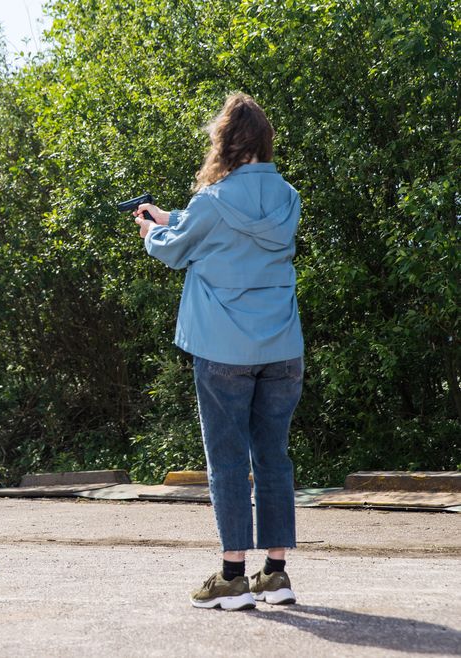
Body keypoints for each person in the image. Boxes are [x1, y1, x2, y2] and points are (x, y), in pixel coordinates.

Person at [133, 93, 303, 610]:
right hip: (283, 348)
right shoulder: (288, 198)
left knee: (228, 462)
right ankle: (274, 574)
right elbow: (233, 231)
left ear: (226, 143)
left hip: (224, 351)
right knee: (273, 458)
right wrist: (176, 216)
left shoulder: (212, 201)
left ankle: (232, 577)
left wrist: (152, 229)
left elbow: (176, 247)